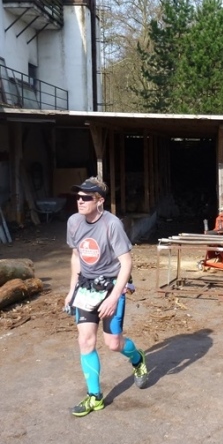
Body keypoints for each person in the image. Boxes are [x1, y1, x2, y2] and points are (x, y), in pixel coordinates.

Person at [64, 177, 148, 417]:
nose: (80, 201)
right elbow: (76, 256)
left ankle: (137, 359)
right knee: (85, 341)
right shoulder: (74, 222)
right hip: (86, 288)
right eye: (78, 197)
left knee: (113, 344)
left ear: (99, 201)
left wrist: (113, 297)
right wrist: (71, 290)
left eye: (86, 197)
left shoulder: (112, 224)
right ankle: (95, 396)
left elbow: (126, 262)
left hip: (112, 286)